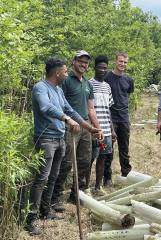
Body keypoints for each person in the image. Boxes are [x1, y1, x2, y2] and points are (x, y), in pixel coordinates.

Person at [27, 57, 100, 235]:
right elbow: (46, 107)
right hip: (46, 140)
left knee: (53, 176)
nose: (67, 74)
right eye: (65, 71)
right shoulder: (40, 88)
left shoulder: (58, 90)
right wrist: (66, 119)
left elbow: (70, 110)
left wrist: (89, 128)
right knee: (41, 178)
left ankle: (46, 211)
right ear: (57, 73)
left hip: (59, 138)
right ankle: (31, 218)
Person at [52, 50, 103, 210]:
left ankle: (76, 194)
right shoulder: (66, 81)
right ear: (74, 61)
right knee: (66, 162)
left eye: (86, 62)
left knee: (84, 161)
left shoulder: (87, 84)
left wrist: (97, 128)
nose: (83, 64)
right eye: (80, 61)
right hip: (69, 127)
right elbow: (60, 105)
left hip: (85, 126)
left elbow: (91, 108)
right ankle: (56, 197)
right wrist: (69, 121)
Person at [86, 55, 116, 190]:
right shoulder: (88, 84)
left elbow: (108, 109)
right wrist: (92, 128)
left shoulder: (107, 87)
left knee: (103, 158)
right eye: (100, 67)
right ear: (95, 68)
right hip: (93, 130)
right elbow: (87, 109)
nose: (103, 70)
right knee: (89, 159)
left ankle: (98, 187)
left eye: (105, 68)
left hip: (106, 131)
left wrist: (112, 129)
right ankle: (85, 187)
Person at [104, 52, 134, 178]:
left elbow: (129, 92)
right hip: (109, 118)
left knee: (124, 148)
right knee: (108, 149)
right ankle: (107, 176)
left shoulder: (128, 79)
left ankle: (126, 174)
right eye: (120, 61)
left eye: (125, 62)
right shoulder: (106, 77)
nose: (122, 64)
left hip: (124, 118)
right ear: (115, 61)